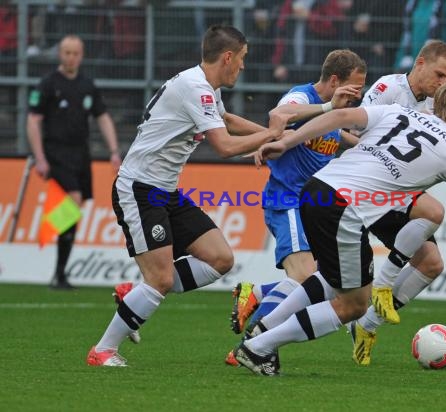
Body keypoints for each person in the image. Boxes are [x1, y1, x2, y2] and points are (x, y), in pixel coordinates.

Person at [233, 76, 446, 376]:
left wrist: (286, 141)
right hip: (343, 207)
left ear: (437, 102)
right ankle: (259, 348)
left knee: (333, 279)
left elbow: (341, 116)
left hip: (317, 189)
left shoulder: (399, 113)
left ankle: (263, 329)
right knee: (354, 304)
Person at [85, 25, 291, 367]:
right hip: (139, 189)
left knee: (220, 258)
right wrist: (269, 135)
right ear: (227, 57)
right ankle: (103, 350)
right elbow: (224, 145)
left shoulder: (203, 86)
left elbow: (224, 119)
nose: (242, 66)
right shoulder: (196, 88)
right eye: (241, 59)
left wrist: (275, 137)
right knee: (161, 279)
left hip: (164, 190)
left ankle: (133, 294)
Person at [348, 39, 446, 366]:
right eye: (440, 75)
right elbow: (351, 133)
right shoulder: (388, 88)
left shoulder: (432, 106)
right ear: (420, 63)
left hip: (397, 195)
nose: (443, 84)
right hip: (362, 189)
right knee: (335, 285)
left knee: (431, 263)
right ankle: (260, 300)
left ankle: (366, 326)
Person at [225, 49, 366, 366]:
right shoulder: (302, 96)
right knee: (304, 276)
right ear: (334, 81)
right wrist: (331, 106)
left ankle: (258, 295)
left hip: (314, 206)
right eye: (354, 88)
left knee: (321, 281)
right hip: (287, 199)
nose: (357, 96)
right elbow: (280, 115)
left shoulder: (333, 115)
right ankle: (253, 345)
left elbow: (338, 132)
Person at [27, 34, 122, 290]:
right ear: (60, 54)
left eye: (75, 53)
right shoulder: (48, 84)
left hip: (81, 154)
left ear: (82, 55)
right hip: (55, 152)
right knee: (75, 199)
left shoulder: (87, 85)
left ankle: (59, 272)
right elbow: (33, 121)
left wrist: (114, 151)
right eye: (66, 52)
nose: (70, 57)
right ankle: (54, 251)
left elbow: (102, 117)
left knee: (74, 208)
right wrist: (40, 158)